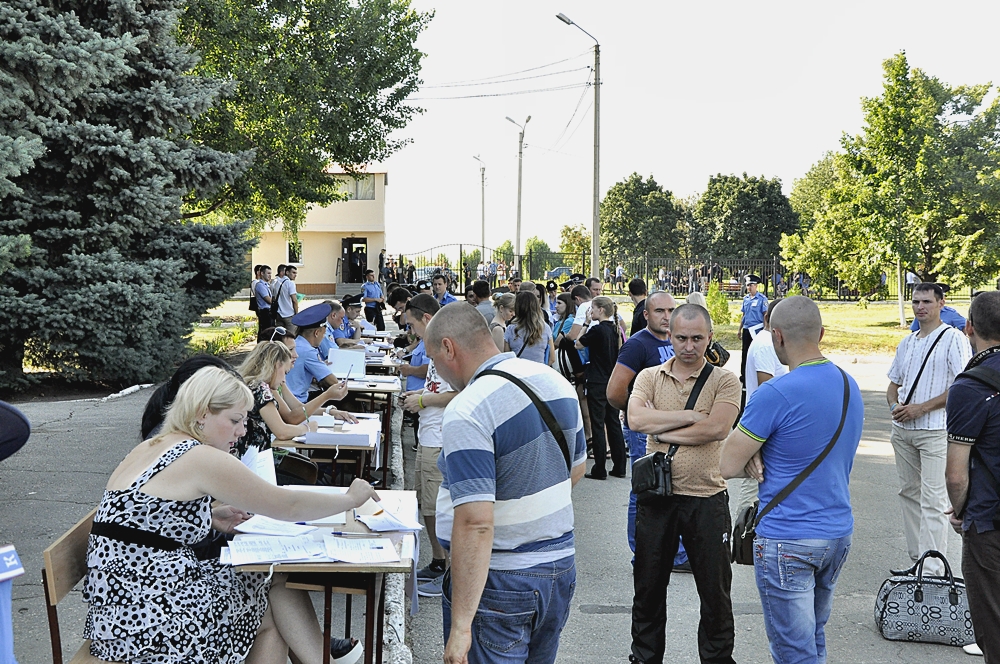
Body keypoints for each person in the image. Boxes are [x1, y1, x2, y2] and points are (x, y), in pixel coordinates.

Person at [83, 366, 377, 663]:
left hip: (121, 610)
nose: (242, 431)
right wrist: (349, 499)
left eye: (245, 421)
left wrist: (209, 517)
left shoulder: (153, 445)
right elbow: (288, 506)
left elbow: (140, 520)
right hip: (149, 616)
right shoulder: (200, 456)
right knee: (271, 610)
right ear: (202, 414)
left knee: (272, 587)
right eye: (235, 420)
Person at [425, 303, 586, 664]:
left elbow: (476, 523)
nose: (438, 372)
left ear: (449, 348)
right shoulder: (554, 381)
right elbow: (576, 469)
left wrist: (461, 626)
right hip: (559, 567)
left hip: (500, 579)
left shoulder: (468, 409)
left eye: (434, 358)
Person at [720, 296, 863, 664]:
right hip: (836, 531)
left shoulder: (775, 393)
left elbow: (726, 464)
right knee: (813, 639)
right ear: (822, 333)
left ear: (776, 336)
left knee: (793, 652)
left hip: (789, 537)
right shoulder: (849, 385)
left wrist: (755, 450)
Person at [627, 304, 741, 664]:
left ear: (710, 337)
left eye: (696, 338)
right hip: (656, 498)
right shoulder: (649, 376)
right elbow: (635, 419)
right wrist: (690, 416)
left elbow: (717, 428)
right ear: (669, 335)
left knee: (715, 595)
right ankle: (644, 658)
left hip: (706, 498)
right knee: (647, 591)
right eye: (681, 338)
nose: (688, 346)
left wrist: (662, 429)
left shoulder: (725, 381)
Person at [887, 282, 971, 574]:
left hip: (935, 430)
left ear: (941, 304)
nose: (920, 307)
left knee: (933, 498)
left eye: (926, 302)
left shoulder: (953, 338)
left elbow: (962, 387)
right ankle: (917, 561)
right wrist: (894, 407)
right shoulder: (907, 342)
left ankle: (933, 568)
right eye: (915, 302)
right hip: (903, 431)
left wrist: (921, 408)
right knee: (909, 493)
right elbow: (893, 385)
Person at [945, 290, 1000, 661]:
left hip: (989, 521)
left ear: (969, 327)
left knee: (993, 627)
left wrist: (960, 510)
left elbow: (956, 475)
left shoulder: (970, 387)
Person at [607, 292, 678, 559]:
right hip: (644, 432)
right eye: (660, 311)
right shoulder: (637, 345)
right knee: (646, 489)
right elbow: (614, 393)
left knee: (673, 489)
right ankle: (642, 553)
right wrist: (637, 412)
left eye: (671, 310)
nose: (667, 317)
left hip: (672, 429)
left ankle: (670, 552)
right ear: (646, 314)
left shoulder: (675, 340)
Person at [398, 295, 457, 598]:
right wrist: (418, 396)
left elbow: (459, 392)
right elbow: (435, 387)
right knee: (426, 502)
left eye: (412, 325)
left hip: (440, 437)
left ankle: (448, 571)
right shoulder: (432, 348)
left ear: (426, 318)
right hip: (428, 434)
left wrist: (422, 400)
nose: (411, 332)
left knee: (438, 507)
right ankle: (438, 561)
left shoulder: (446, 348)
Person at [235, 341, 356, 456]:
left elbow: (298, 409)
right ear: (277, 365)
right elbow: (282, 431)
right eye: (285, 372)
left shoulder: (253, 384)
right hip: (253, 457)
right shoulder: (261, 389)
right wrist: (307, 428)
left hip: (250, 452)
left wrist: (329, 410)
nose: (284, 380)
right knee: (307, 468)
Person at [734, 300, 787, 515]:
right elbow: (768, 392)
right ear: (767, 319)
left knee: (760, 487)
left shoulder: (770, 343)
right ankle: (741, 533)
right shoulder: (766, 345)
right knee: (752, 490)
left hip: (766, 426)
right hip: (763, 427)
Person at [576, 296, 626, 479]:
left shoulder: (597, 330)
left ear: (601, 310)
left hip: (597, 381)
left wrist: (585, 323)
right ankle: (620, 466)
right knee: (613, 423)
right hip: (612, 380)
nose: (591, 312)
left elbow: (578, 343)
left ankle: (599, 468)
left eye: (593, 308)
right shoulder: (616, 329)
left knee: (597, 424)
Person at [285, 303, 349, 404]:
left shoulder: (297, 344)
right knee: (348, 401)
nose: (323, 337)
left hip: (288, 398)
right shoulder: (308, 351)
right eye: (323, 333)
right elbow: (333, 382)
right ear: (316, 333)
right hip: (298, 401)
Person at [739, 274, 768, 401]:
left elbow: (765, 315)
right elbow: (744, 315)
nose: (749, 287)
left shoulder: (762, 299)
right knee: (745, 353)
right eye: (747, 285)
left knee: (756, 352)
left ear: (756, 286)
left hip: (757, 329)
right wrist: (739, 329)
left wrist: (766, 330)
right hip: (747, 329)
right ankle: (744, 376)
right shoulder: (746, 299)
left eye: (751, 285)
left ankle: (757, 374)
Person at [504, 291, 555, 364]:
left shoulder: (510, 329)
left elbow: (507, 357)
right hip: (539, 369)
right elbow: (552, 358)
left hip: (517, 370)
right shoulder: (545, 328)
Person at [274, 265, 299, 329]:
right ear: (287, 272)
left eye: (296, 273)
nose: (295, 275)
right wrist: (297, 314)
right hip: (289, 314)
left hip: (278, 314)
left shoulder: (277, 283)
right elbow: (294, 300)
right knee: (291, 334)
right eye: (293, 273)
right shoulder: (290, 283)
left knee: (280, 334)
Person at [254, 264, 274, 336]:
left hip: (269, 311)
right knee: (266, 332)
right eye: (268, 273)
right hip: (265, 312)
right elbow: (269, 300)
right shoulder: (260, 285)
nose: (270, 275)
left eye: (270, 273)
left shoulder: (266, 285)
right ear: (262, 273)